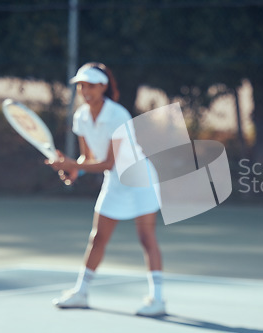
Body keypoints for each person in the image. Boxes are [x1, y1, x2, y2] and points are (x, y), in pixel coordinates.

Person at [46, 62, 165, 317]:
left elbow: (109, 162)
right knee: (98, 237)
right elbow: (88, 158)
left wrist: (72, 164)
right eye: (80, 86)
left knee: (146, 239)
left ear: (102, 87)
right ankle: (81, 293)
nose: (85, 90)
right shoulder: (81, 117)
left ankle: (157, 299)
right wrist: (71, 167)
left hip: (139, 180)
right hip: (115, 182)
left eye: (90, 85)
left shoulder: (118, 115)